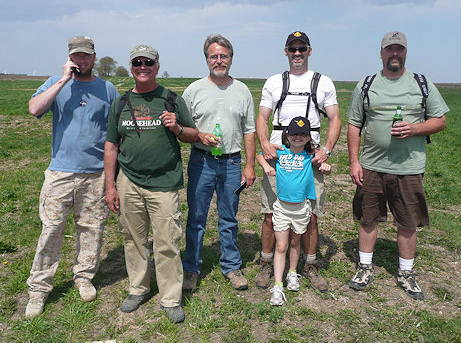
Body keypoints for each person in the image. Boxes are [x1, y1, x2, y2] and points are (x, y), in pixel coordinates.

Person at [347, 31, 449, 300]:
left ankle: (406, 273)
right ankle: (365, 267)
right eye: (389, 49)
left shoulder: (421, 83)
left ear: (405, 53)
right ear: (381, 53)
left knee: (408, 222)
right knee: (368, 218)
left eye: (399, 49)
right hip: (371, 165)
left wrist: (415, 128)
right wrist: (355, 162)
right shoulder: (366, 84)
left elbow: (440, 121)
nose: (395, 54)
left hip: (409, 167)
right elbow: (354, 124)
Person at [25, 36, 120, 318]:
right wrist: (63, 81)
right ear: (69, 58)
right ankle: (39, 288)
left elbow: (116, 131)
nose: (82, 61)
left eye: (86, 56)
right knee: (51, 229)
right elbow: (34, 109)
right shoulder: (56, 83)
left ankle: (84, 277)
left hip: (95, 174)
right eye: (77, 57)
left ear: (94, 57)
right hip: (60, 173)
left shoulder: (108, 89)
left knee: (91, 228)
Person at [104, 44, 198, 323]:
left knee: (167, 241)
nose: (142, 67)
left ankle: (170, 298)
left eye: (148, 62)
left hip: (164, 183)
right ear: (131, 68)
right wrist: (110, 186)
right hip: (128, 181)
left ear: (157, 66)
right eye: (137, 63)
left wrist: (177, 128)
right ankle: (138, 288)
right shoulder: (120, 103)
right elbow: (111, 146)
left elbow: (193, 134)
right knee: (133, 239)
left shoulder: (171, 100)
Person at [255, 31, 341, 292]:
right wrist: (265, 145)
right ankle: (267, 261)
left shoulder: (322, 82)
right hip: (279, 156)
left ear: (309, 51)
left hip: (310, 157)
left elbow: (335, 119)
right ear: (285, 51)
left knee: (312, 215)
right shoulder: (274, 82)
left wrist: (326, 149)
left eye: (301, 48)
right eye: (292, 49)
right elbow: (262, 117)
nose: (297, 53)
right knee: (271, 214)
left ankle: (310, 264)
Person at [181, 34, 256, 292]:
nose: (219, 60)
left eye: (224, 56)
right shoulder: (193, 90)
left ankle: (232, 267)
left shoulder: (242, 90)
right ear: (206, 59)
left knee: (229, 217)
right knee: (196, 217)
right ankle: (191, 268)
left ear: (231, 59)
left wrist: (249, 165)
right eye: (214, 56)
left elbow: (249, 130)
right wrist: (199, 135)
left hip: (232, 164)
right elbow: (183, 128)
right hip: (202, 162)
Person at [256, 117, 331, 306]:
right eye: (294, 134)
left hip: (301, 209)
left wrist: (325, 166)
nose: (298, 137)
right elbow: (259, 156)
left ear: (308, 138)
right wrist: (266, 166)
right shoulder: (280, 152)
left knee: (295, 242)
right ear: (287, 135)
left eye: (303, 134)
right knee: (281, 246)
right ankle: (278, 285)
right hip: (281, 208)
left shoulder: (310, 157)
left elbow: (324, 166)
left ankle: (292, 274)